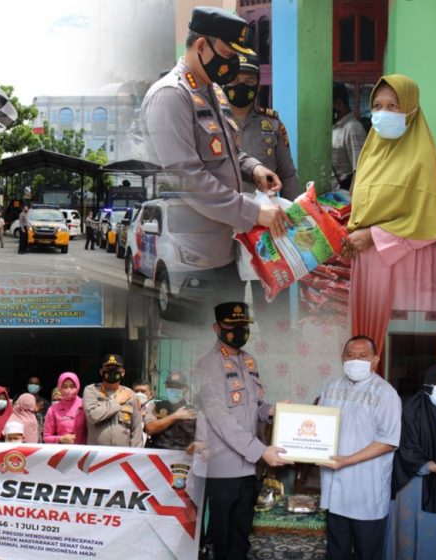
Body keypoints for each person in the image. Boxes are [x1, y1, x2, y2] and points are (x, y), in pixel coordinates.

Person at [141, 8, 287, 305]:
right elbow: (188, 178)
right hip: (191, 256)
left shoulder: (213, 91)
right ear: (201, 46)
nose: (232, 62)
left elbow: (228, 151)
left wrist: (254, 169)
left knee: (228, 344)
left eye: (237, 55)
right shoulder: (171, 96)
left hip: (223, 251)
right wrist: (254, 213)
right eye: (227, 52)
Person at [344, 75, 436, 358]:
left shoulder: (425, 158)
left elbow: (430, 224)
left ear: (411, 110)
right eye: (378, 106)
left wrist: (373, 235)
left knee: (403, 350)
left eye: (393, 106)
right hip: (370, 266)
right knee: (367, 342)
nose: (383, 114)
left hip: (409, 265)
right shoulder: (369, 155)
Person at [196, 302, 290, 560]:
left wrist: (274, 411)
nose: (238, 331)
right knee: (222, 541)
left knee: (241, 536)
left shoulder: (249, 360)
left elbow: (254, 408)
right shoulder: (209, 365)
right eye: (231, 326)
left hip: (250, 468)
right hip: (223, 469)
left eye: (243, 326)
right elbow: (219, 417)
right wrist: (261, 451)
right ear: (217, 327)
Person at [318, 336, 402, 560]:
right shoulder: (331, 388)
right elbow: (318, 427)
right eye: (350, 355)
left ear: (375, 359)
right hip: (335, 487)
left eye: (363, 356)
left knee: (368, 552)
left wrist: (347, 460)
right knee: (336, 550)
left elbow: (388, 441)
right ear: (342, 358)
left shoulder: (385, 393)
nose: (356, 360)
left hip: (367, 489)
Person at [385, 365, 436, 560]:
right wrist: (435, 467)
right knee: (410, 535)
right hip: (414, 482)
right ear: (428, 385)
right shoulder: (411, 410)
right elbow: (406, 449)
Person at [224, 52, 300, 200]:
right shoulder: (215, 122)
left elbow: (287, 174)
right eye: (234, 80)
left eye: (249, 81)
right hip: (227, 213)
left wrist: (294, 214)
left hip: (266, 211)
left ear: (258, 86)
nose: (241, 86)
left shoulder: (272, 123)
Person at [83, 354, 144, 447]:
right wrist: (117, 402)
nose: (112, 371)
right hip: (96, 455)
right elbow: (92, 416)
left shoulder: (130, 395)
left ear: (122, 372)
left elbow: (136, 430)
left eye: (115, 369)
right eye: (108, 368)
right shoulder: (91, 390)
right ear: (101, 371)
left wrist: (135, 455)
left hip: (122, 455)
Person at [144, 371, 196, 450]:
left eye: (177, 386)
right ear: (166, 387)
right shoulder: (155, 406)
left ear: (186, 389)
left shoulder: (194, 410)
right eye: (170, 386)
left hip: (183, 456)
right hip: (158, 454)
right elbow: (150, 429)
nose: (173, 389)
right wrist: (175, 416)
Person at [331, 82, 368, 191]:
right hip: (331, 197)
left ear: (338, 104)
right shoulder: (335, 127)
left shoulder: (352, 128)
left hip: (344, 197)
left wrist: (352, 200)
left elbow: (360, 168)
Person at [44, 372, 87, 445]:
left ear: (78, 386)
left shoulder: (85, 405)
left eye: (72, 386)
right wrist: (60, 439)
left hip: (84, 453)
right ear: (59, 388)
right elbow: (46, 437)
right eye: (64, 386)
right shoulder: (53, 409)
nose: (68, 389)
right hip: (63, 453)